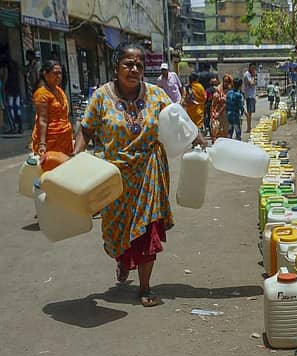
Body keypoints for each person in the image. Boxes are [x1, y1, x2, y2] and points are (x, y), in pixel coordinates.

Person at [74, 43, 204, 306]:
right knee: (115, 233)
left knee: (148, 231)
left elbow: (177, 119)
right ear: (116, 66)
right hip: (113, 177)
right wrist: (75, 158)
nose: (134, 69)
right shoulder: (101, 97)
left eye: (139, 65)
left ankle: (145, 288)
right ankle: (122, 260)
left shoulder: (157, 95)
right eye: (128, 64)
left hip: (149, 173)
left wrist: (197, 138)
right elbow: (86, 130)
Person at [31, 60, 73, 156]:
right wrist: (42, 143)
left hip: (64, 139)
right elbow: (42, 119)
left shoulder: (59, 90)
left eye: (60, 73)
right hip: (50, 141)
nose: (58, 76)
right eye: (55, 73)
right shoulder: (42, 94)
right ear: (45, 74)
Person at [210, 74, 231, 142]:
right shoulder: (218, 89)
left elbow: (226, 103)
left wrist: (219, 112)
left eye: (227, 81)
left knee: (225, 130)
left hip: (225, 113)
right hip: (217, 112)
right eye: (224, 81)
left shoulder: (230, 91)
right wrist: (214, 112)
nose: (225, 83)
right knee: (217, 129)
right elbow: (213, 102)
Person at [4, 56, 22, 134]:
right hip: (17, 90)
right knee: (17, 108)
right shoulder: (17, 71)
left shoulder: (7, 68)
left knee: (10, 108)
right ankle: (20, 127)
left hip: (9, 90)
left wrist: (3, 89)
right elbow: (20, 78)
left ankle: (13, 127)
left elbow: (5, 78)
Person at [242, 63, 257, 132]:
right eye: (252, 68)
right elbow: (251, 84)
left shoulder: (250, 75)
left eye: (254, 68)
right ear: (249, 68)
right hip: (249, 95)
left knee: (250, 112)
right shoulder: (247, 74)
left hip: (252, 95)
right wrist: (253, 77)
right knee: (249, 112)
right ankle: (248, 127)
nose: (253, 69)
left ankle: (249, 127)